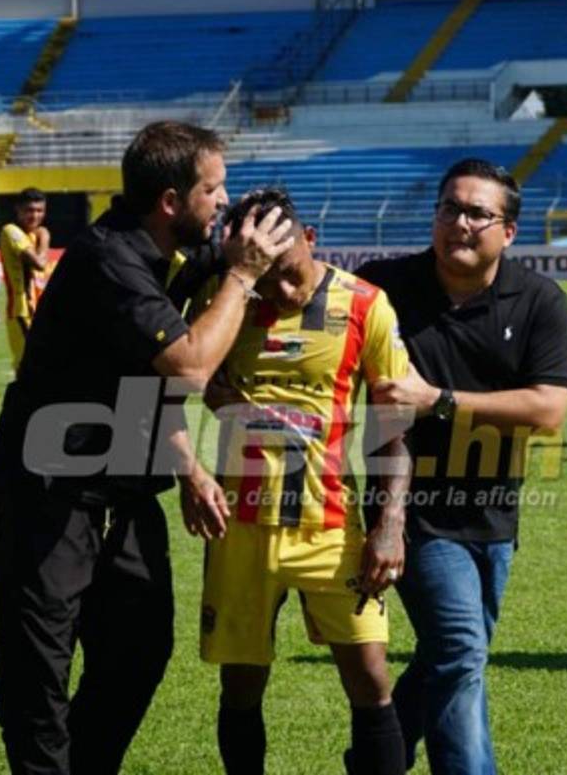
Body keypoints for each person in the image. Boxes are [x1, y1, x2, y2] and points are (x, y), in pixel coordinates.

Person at [0, 121, 295, 775]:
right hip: (49, 490)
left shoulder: (170, 248)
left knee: (140, 648)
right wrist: (241, 275)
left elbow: (141, 380)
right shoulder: (111, 258)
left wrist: (187, 467)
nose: (223, 199)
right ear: (171, 201)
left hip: (123, 485)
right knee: (40, 669)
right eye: (214, 188)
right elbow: (189, 368)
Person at [357, 159, 567, 774]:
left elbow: (549, 408)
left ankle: (376, 758)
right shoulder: (382, 287)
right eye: (449, 207)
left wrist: (439, 401)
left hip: (495, 512)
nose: (459, 222)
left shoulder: (539, 300)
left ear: (508, 231)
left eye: (478, 213)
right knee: (459, 650)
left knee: (447, 656)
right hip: (411, 507)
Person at [193, 188, 410, 775]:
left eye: (289, 270)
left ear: (310, 239)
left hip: (333, 529)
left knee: (371, 680)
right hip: (240, 530)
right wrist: (222, 400)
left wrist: (391, 525)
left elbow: (394, 427)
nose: (281, 289)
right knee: (242, 686)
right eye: (265, 275)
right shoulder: (225, 298)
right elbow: (185, 372)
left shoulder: (365, 303)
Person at [0, 187, 50, 372]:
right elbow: (39, 263)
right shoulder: (11, 231)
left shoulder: (33, 235)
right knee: (28, 364)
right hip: (22, 311)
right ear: (18, 210)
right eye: (29, 210)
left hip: (38, 311)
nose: (35, 215)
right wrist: (45, 237)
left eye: (39, 210)